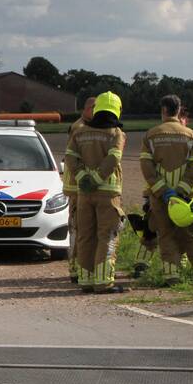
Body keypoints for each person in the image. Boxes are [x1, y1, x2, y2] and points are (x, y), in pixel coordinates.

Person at [140, 94, 193, 284]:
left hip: (160, 198)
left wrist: (164, 191)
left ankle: (172, 275)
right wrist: (182, 189)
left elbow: (147, 168)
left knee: (165, 234)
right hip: (187, 198)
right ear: (179, 110)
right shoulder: (191, 135)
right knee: (192, 233)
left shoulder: (151, 135)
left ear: (163, 110)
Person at [64, 91, 127, 293]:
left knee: (85, 235)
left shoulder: (79, 131)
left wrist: (84, 178)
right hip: (107, 194)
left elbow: (71, 158)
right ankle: (103, 282)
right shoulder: (116, 133)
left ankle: (86, 280)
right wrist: (98, 178)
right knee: (107, 235)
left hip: (84, 194)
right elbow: (113, 158)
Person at [63, 97, 96, 283]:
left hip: (77, 187)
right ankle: (75, 268)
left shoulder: (82, 126)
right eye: (94, 108)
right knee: (80, 228)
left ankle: (77, 267)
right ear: (87, 109)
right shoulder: (80, 128)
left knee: (80, 228)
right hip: (78, 189)